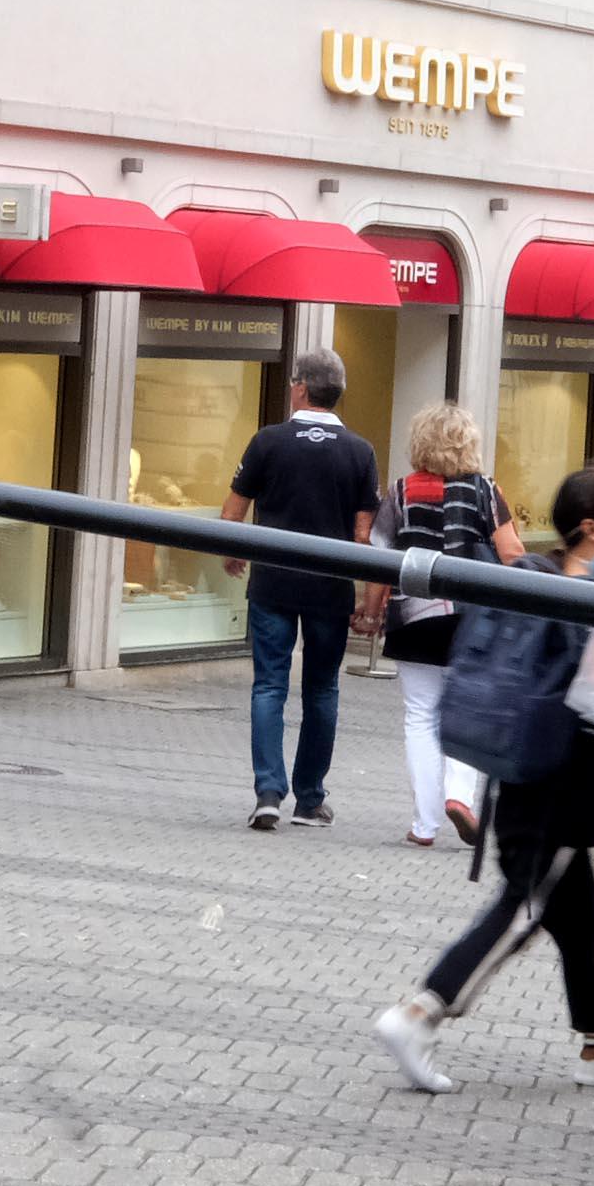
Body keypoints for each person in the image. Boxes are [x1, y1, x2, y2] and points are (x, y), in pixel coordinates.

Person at [373, 464, 594, 1092]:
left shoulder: (543, 583)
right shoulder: (584, 599)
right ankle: (422, 1010)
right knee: (526, 905)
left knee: (579, 917)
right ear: (593, 530)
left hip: (531, 775)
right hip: (558, 785)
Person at [221, 347, 380, 831]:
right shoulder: (360, 451)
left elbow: (232, 512)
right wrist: (367, 599)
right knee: (322, 689)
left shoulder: (267, 441)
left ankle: (268, 791)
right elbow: (362, 535)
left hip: (272, 582)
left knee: (269, 684)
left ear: (302, 388)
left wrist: (233, 550)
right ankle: (310, 799)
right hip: (329, 588)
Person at [365, 398, 528, 848]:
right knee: (468, 710)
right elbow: (512, 552)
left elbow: (379, 559)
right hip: (471, 619)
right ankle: (460, 797)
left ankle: (424, 824)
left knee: (419, 716)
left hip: (413, 617)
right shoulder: (484, 490)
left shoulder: (399, 492)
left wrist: (371, 610)